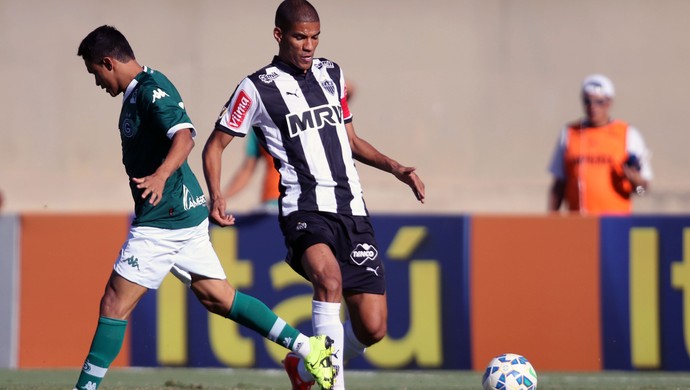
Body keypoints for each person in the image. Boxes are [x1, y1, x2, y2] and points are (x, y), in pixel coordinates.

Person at [74, 25, 335, 390]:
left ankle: (83, 389)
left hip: (164, 220)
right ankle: (308, 347)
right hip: (185, 213)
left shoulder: (152, 91)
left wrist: (162, 174)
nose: (97, 82)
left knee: (114, 305)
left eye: (95, 73)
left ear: (107, 62)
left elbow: (185, 136)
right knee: (220, 298)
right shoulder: (139, 90)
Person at [202, 1, 426, 389]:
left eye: (315, 37)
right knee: (329, 279)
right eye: (300, 37)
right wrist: (217, 196)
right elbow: (214, 146)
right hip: (304, 210)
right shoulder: (256, 88)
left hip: (352, 210)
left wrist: (395, 167)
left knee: (373, 328)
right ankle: (331, 385)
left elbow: (350, 140)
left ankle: (304, 369)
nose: (309, 46)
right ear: (279, 35)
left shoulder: (331, 74)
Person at [221, 81, 354, 216]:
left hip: (316, 198)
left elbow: (348, 87)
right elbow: (246, 170)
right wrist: (220, 197)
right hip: (275, 200)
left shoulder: (312, 119)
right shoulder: (259, 127)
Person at [548, 74, 652, 215]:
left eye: (599, 102)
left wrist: (636, 183)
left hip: (614, 224)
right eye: (587, 101)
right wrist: (551, 217)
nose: (593, 107)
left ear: (609, 102)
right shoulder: (570, 133)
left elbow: (642, 193)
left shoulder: (628, 134)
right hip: (578, 222)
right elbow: (559, 184)